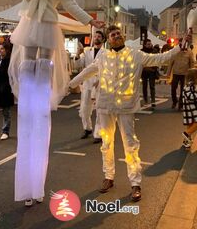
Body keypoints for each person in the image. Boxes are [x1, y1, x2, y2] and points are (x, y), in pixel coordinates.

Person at [0, 0, 104, 206]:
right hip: (30, 24)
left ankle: (43, 84)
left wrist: (90, 21)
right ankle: (29, 85)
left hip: (49, 25)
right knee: (28, 59)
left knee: (45, 61)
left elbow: (71, 4)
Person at [69, 25, 189, 202]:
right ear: (108, 40)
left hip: (126, 106)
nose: (116, 36)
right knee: (106, 143)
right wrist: (71, 83)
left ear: (122, 36)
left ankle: (135, 183)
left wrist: (179, 47)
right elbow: (89, 70)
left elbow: (161, 58)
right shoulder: (103, 55)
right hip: (105, 105)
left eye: (118, 34)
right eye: (112, 35)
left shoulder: (135, 54)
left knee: (130, 144)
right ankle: (108, 177)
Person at [74, 31, 105, 142]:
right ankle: (87, 128)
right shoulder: (87, 51)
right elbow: (78, 65)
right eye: (95, 36)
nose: (97, 38)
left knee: (100, 110)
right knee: (84, 109)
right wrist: (78, 54)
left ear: (103, 39)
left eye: (99, 36)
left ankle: (98, 133)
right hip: (87, 84)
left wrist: (101, 79)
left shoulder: (106, 53)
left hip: (100, 84)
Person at [167, 40, 194, 110]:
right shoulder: (175, 52)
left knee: (183, 90)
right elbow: (170, 63)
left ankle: (181, 104)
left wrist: (192, 74)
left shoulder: (189, 52)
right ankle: (174, 101)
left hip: (185, 74)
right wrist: (168, 74)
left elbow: (192, 63)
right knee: (173, 88)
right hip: (176, 73)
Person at [181, 68, 197, 148]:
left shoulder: (191, 85)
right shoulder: (190, 86)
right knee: (194, 123)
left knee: (190, 124)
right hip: (191, 109)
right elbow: (190, 97)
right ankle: (186, 134)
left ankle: (186, 141)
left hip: (191, 109)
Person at [141, 39, 158, 107]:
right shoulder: (141, 52)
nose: (149, 45)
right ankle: (145, 100)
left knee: (152, 86)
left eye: (150, 44)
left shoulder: (154, 51)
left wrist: (154, 68)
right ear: (144, 45)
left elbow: (156, 60)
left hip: (152, 71)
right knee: (144, 86)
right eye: (148, 44)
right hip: (144, 71)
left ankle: (153, 101)